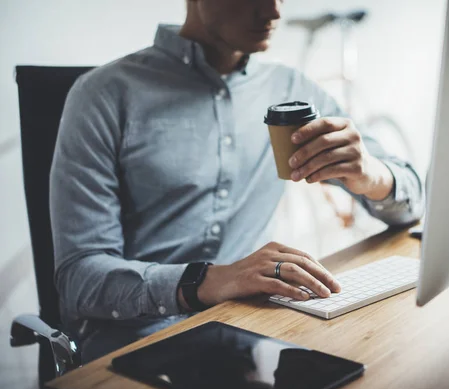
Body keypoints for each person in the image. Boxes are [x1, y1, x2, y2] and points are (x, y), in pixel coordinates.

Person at [50, 0, 424, 362]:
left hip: (254, 329)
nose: (274, 11)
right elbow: (77, 282)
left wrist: (372, 175)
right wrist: (209, 280)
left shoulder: (291, 89)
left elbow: (415, 202)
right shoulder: (102, 95)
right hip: (135, 346)